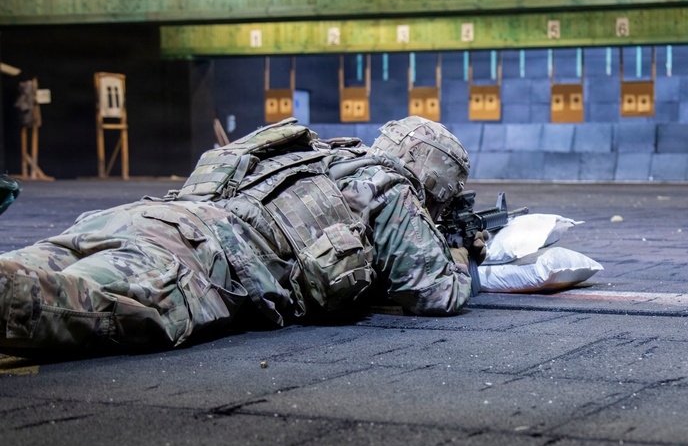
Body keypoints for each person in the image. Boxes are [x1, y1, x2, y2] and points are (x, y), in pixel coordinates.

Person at [0, 115, 486, 358]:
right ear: (435, 176)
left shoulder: (320, 155)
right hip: (194, 259)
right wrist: (462, 254)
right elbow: (433, 292)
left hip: (135, 220)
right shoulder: (387, 184)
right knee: (39, 306)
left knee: (22, 271)